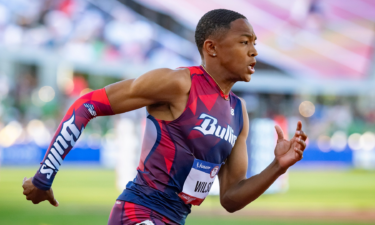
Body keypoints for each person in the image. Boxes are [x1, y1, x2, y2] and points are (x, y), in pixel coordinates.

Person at [22, 9, 308, 225]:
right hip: (138, 212)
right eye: (245, 42)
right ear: (212, 48)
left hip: (174, 218)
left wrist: (277, 166)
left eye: (255, 43)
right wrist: (44, 178)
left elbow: (231, 199)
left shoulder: (239, 113)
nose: (254, 51)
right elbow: (86, 105)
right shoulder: (179, 84)